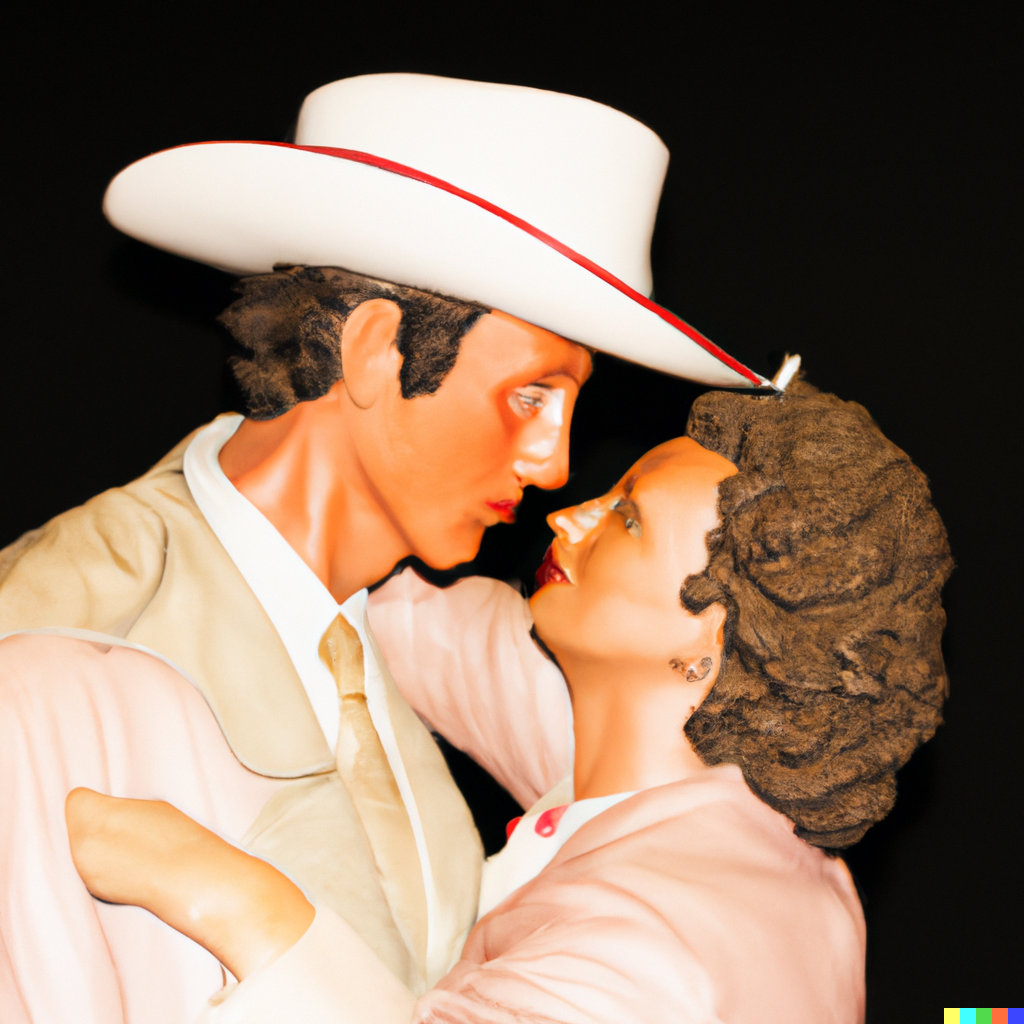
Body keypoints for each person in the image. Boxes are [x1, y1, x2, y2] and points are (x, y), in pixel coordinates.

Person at [0, 73, 770, 1023]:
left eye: (573, 405)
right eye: (531, 394)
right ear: (375, 351)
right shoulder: (58, 643)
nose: (555, 464)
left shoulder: (398, 640)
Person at [67, 380, 952, 1023]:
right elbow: (420, 625)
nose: (571, 515)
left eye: (627, 519)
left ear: (705, 645)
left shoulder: (647, 949)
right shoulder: (707, 782)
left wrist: (237, 902)